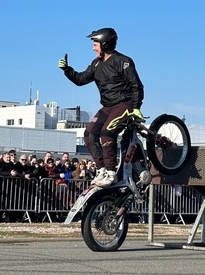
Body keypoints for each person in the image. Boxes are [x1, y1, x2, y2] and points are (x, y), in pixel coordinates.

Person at [59, 27, 144, 188]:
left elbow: (136, 85)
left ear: (105, 44)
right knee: (89, 134)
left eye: (95, 44)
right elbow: (81, 79)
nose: (93, 48)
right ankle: (102, 169)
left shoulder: (123, 61)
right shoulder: (96, 64)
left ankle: (111, 172)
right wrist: (67, 70)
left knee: (106, 133)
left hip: (124, 104)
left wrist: (136, 106)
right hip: (107, 107)